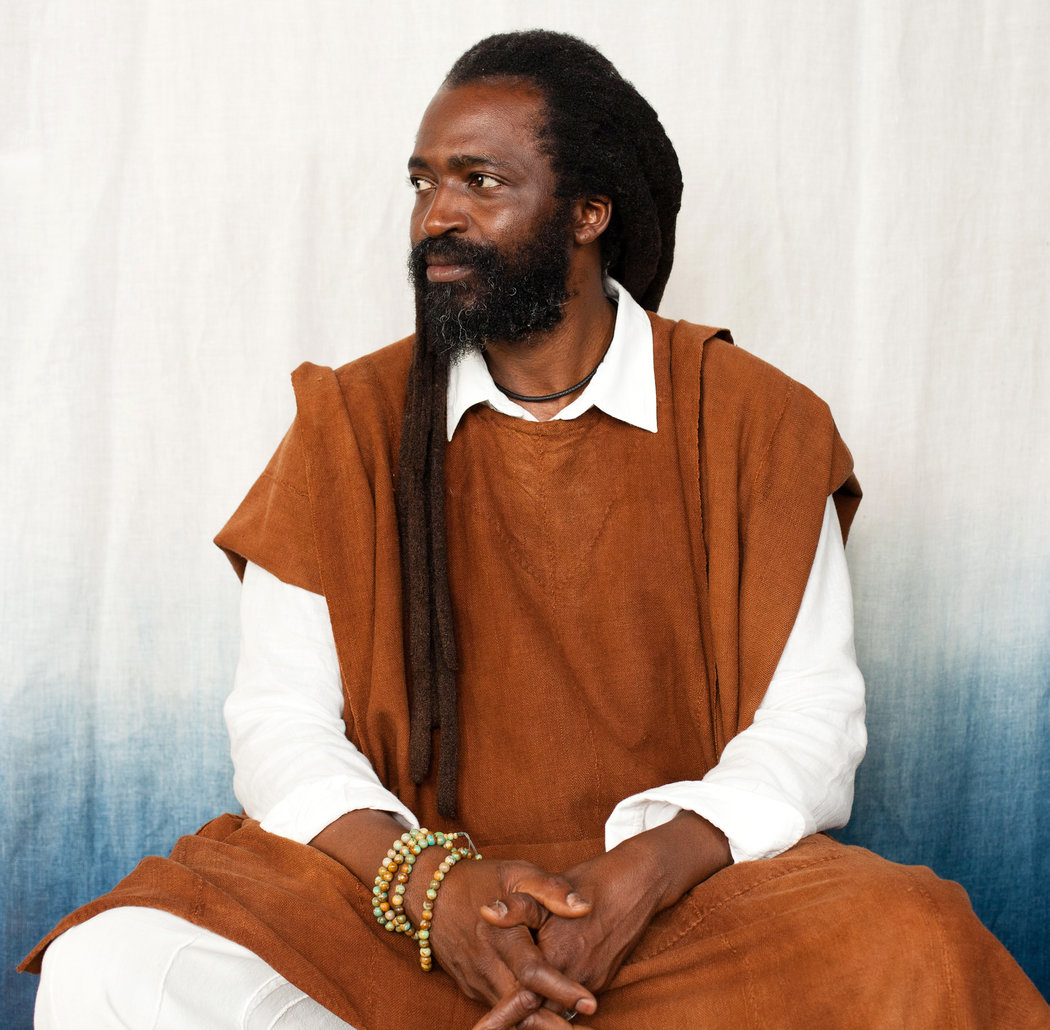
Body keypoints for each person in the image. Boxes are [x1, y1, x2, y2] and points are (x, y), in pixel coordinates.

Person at [24, 29, 1049, 1030]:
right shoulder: (350, 423)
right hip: (402, 903)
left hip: (677, 907)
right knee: (108, 962)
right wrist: (432, 888)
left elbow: (811, 724)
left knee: (919, 940)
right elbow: (281, 723)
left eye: (481, 181)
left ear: (590, 212)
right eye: (424, 183)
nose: (437, 215)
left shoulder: (757, 421)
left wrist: (636, 881)